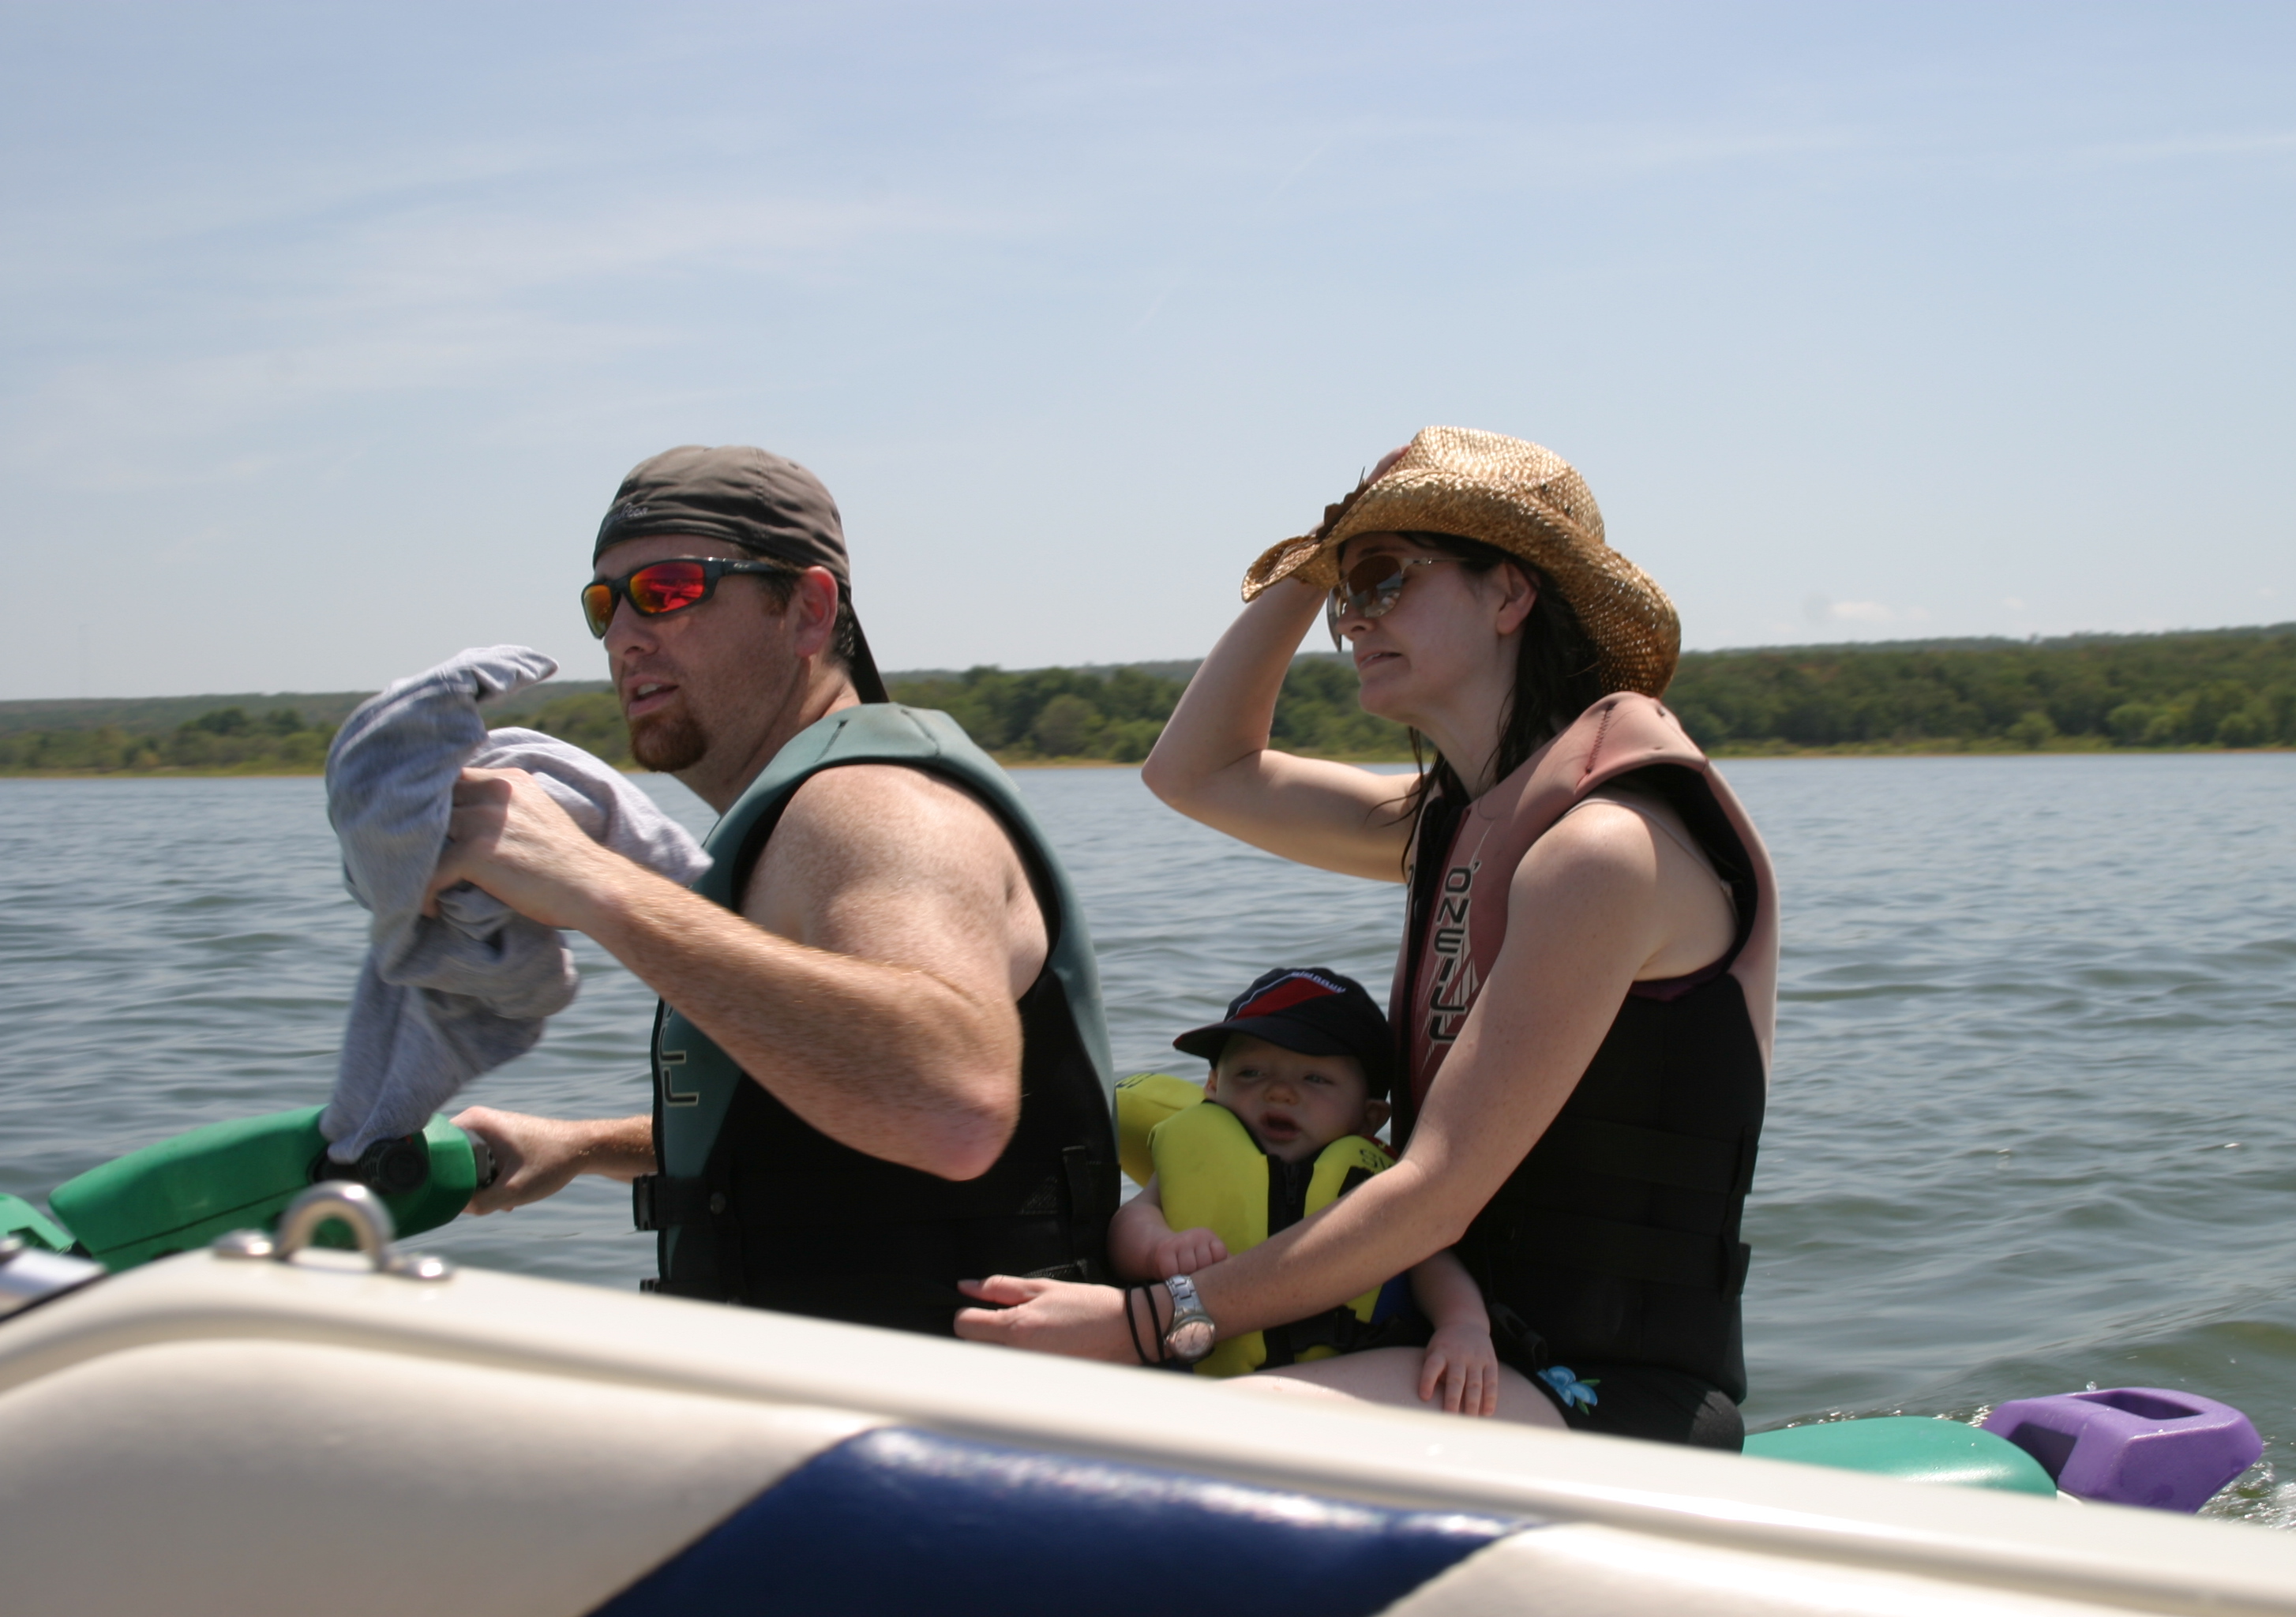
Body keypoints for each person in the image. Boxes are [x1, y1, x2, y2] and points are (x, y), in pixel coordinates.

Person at [957, 426, 1776, 1449]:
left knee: (1170, 1447)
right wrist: (1318, 556)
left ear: (1510, 595)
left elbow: (1432, 1196)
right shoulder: (1454, 824)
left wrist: (1146, 1323)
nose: (1350, 621)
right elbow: (1195, 772)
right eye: (1344, 596)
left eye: (1384, 580)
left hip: (1605, 1390)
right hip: (1451, 1341)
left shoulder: (1607, 851)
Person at [435, 445, 1120, 1334]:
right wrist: (587, 1148)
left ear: (807, 609)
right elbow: (827, 1111)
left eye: (670, 590)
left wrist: (588, 879)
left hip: (944, 1437)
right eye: (604, 604)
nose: (624, 635)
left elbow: (952, 1104)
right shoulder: (799, 814)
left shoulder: (868, 804)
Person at [1113, 967, 1498, 1416]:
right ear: (1213, 1088)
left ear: (1369, 1116)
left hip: (1351, 1380)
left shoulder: (1378, 1182)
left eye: (1314, 1079)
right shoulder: (1197, 1157)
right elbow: (1131, 1220)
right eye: (1251, 1072)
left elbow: (1432, 1262)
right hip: (1202, 1368)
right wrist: (1160, 1247)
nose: (1278, 1092)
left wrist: (1464, 1325)